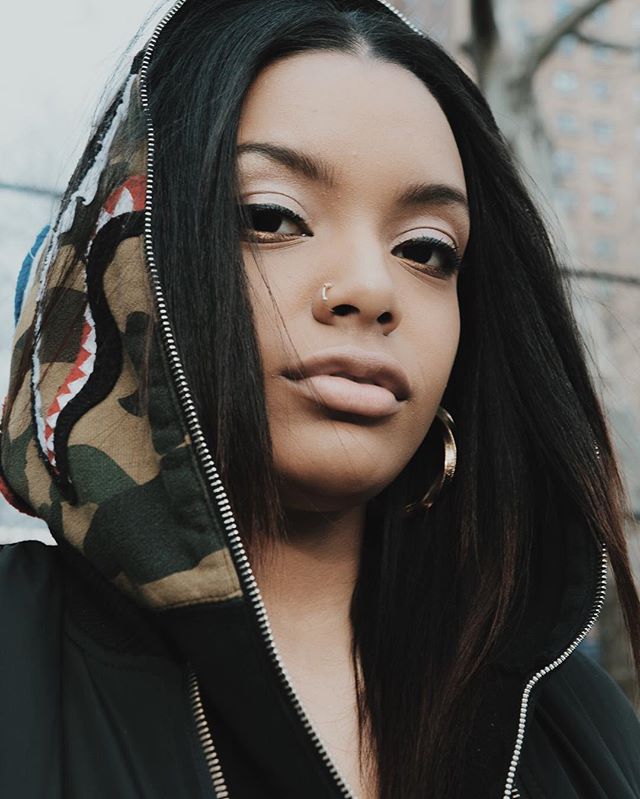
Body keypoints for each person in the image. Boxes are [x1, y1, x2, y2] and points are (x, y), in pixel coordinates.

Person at [1, 1, 639, 797]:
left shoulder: (580, 724)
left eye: (427, 250)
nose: (372, 288)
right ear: (136, 261)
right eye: (273, 217)